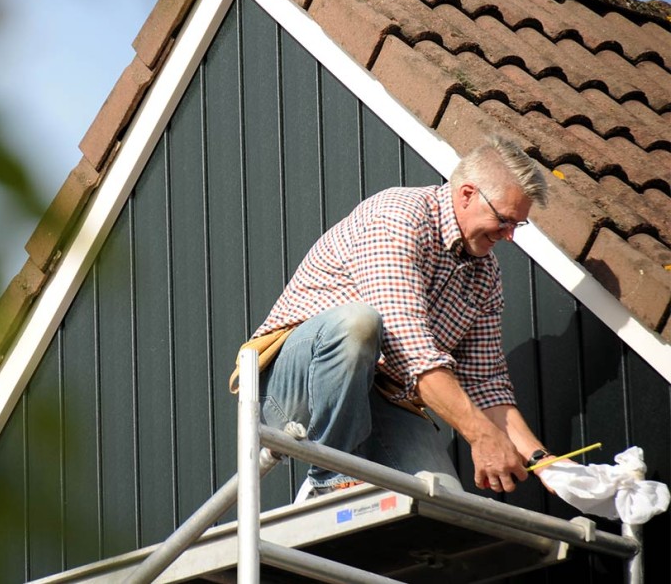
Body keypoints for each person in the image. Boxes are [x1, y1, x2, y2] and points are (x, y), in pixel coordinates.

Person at [238, 135, 555, 498]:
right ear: (467, 194)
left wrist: (544, 461)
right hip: (291, 387)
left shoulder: (485, 274)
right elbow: (412, 349)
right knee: (357, 325)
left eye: (518, 225)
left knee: (443, 501)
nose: (510, 235)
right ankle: (328, 477)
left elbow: (486, 383)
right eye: (504, 220)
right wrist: (482, 435)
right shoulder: (399, 215)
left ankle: (343, 479)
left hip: (380, 393)